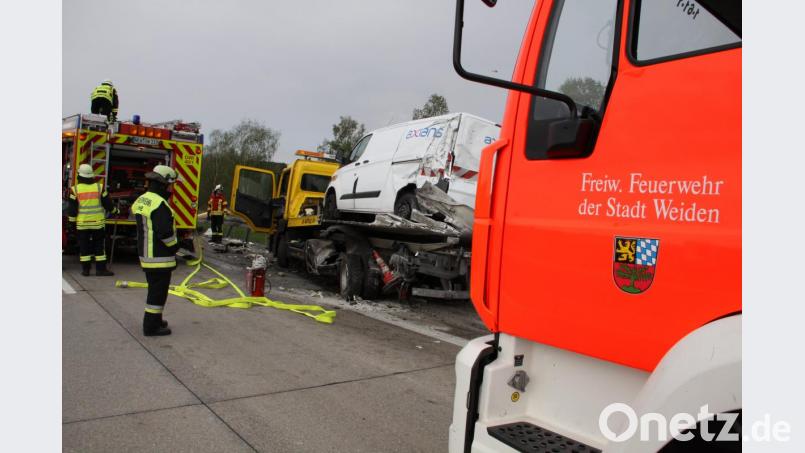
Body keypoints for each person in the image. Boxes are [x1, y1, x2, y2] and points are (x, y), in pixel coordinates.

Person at [132, 165, 179, 336]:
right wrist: (176, 247)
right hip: (159, 257)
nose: (170, 188)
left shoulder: (143, 199)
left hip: (147, 254)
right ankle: (151, 327)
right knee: (157, 294)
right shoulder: (160, 204)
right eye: (169, 184)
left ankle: (156, 319)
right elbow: (165, 232)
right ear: (163, 184)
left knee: (155, 290)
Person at [67, 164, 116, 276]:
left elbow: (72, 210)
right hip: (97, 224)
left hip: (82, 224)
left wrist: (71, 223)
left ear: (80, 175)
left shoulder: (74, 190)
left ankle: (86, 270)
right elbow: (108, 204)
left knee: (84, 247)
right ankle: (101, 270)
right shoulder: (99, 187)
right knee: (99, 247)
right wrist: (116, 211)